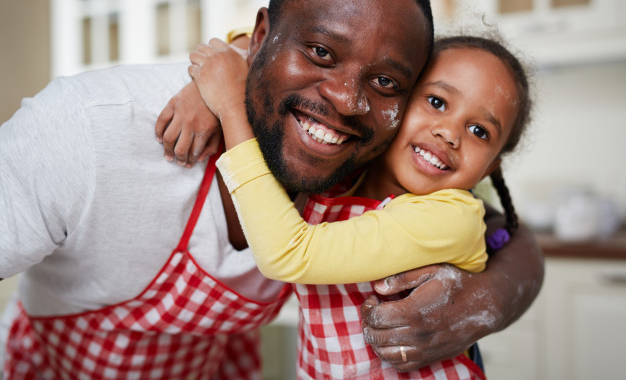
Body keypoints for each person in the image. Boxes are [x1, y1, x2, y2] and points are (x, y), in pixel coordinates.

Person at [0, 0, 543, 379]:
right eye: (319, 52)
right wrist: (222, 82)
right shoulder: (89, 130)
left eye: (385, 84)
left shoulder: (357, 158)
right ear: (261, 39)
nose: (346, 100)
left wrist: (485, 301)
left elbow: (498, 230)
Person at [158, 32, 532, 379]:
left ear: (492, 164)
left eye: (480, 131)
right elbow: (281, 34)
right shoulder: (348, 170)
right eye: (436, 102)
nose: (449, 133)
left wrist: (227, 104)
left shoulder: (451, 218)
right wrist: (211, 77)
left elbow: (288, 253)